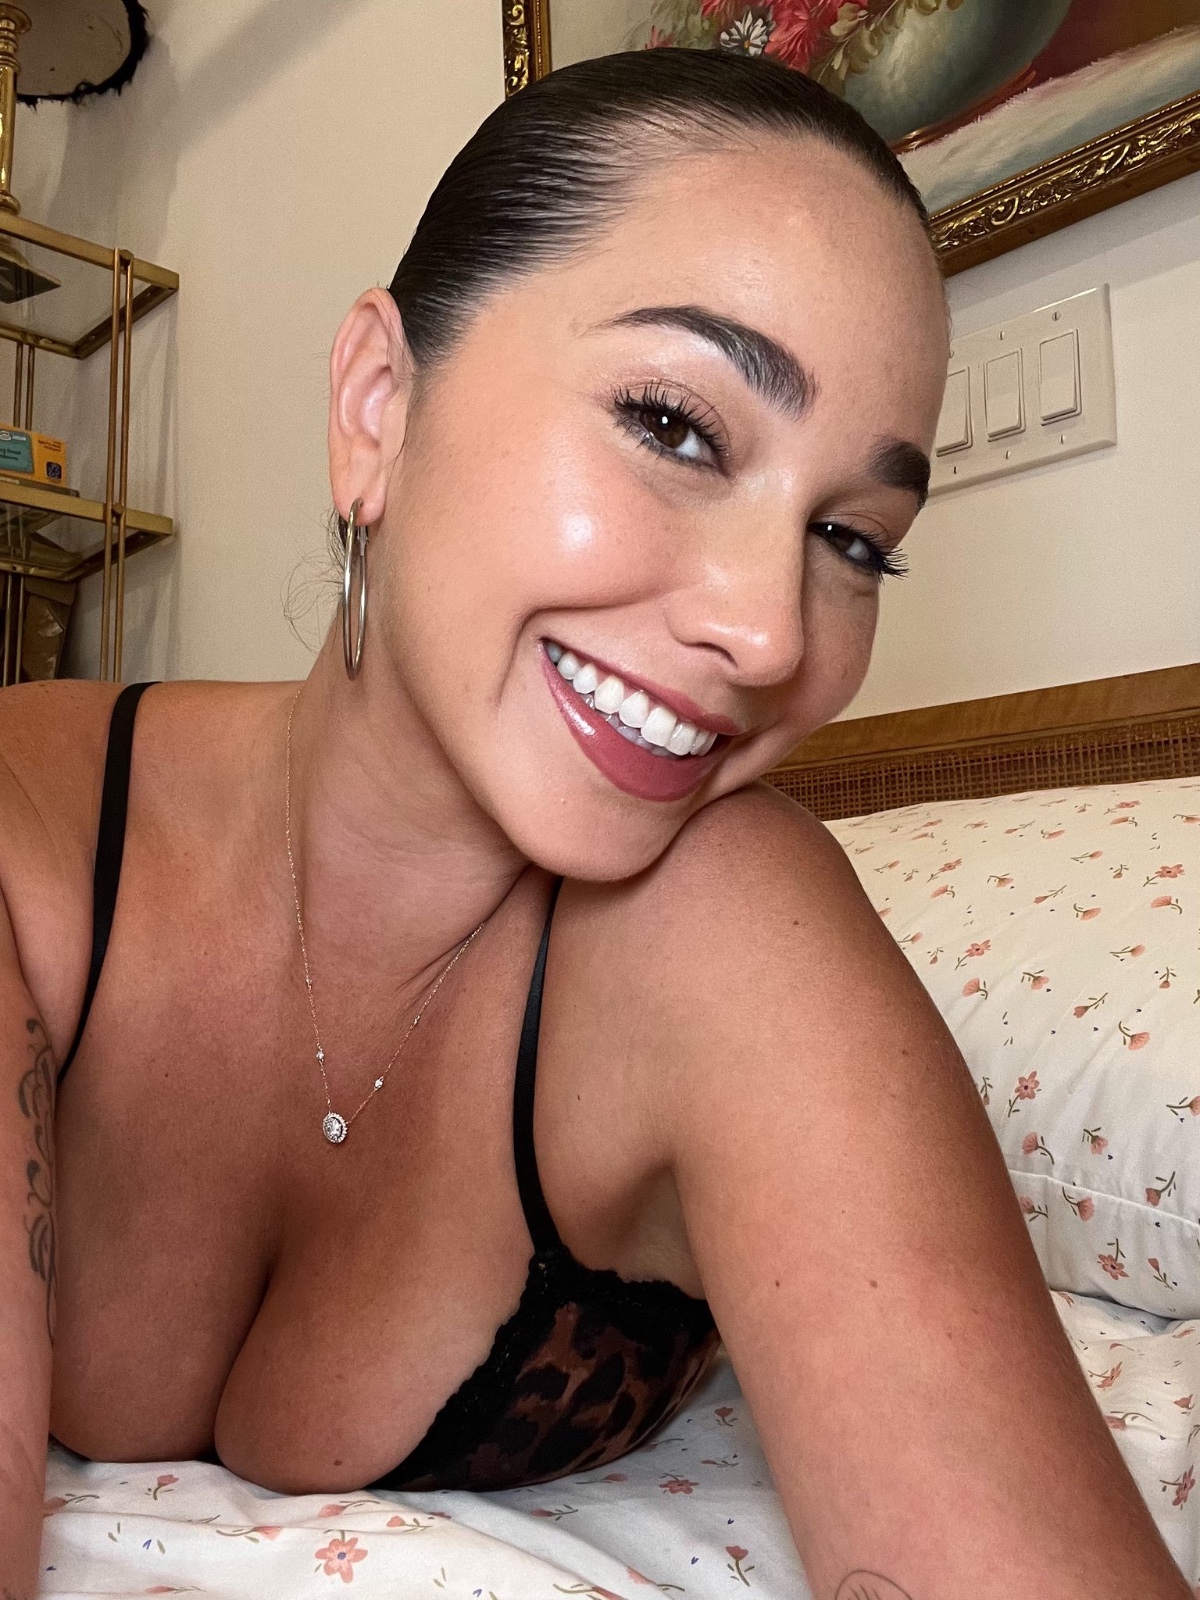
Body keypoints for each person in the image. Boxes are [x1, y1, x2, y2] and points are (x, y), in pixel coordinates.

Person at [0, 48, 1187, 1600]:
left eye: (852, 540)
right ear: (377, 406)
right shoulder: (29, 839)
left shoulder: (731, 939)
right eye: (676, 427)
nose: (771, 633)